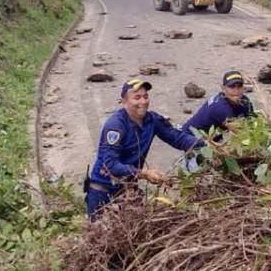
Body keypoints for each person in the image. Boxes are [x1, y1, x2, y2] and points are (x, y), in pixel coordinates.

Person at [84, 78, 203, 219]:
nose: (143, 102)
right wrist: (144, 174)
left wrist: (208, 146)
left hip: (128, 190)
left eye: (145, 96)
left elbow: (178, 139)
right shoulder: (115, 126)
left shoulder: (152, 120)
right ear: (124, 101)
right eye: (137, 98)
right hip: (103, 193)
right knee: (102, 236)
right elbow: (110, 165)